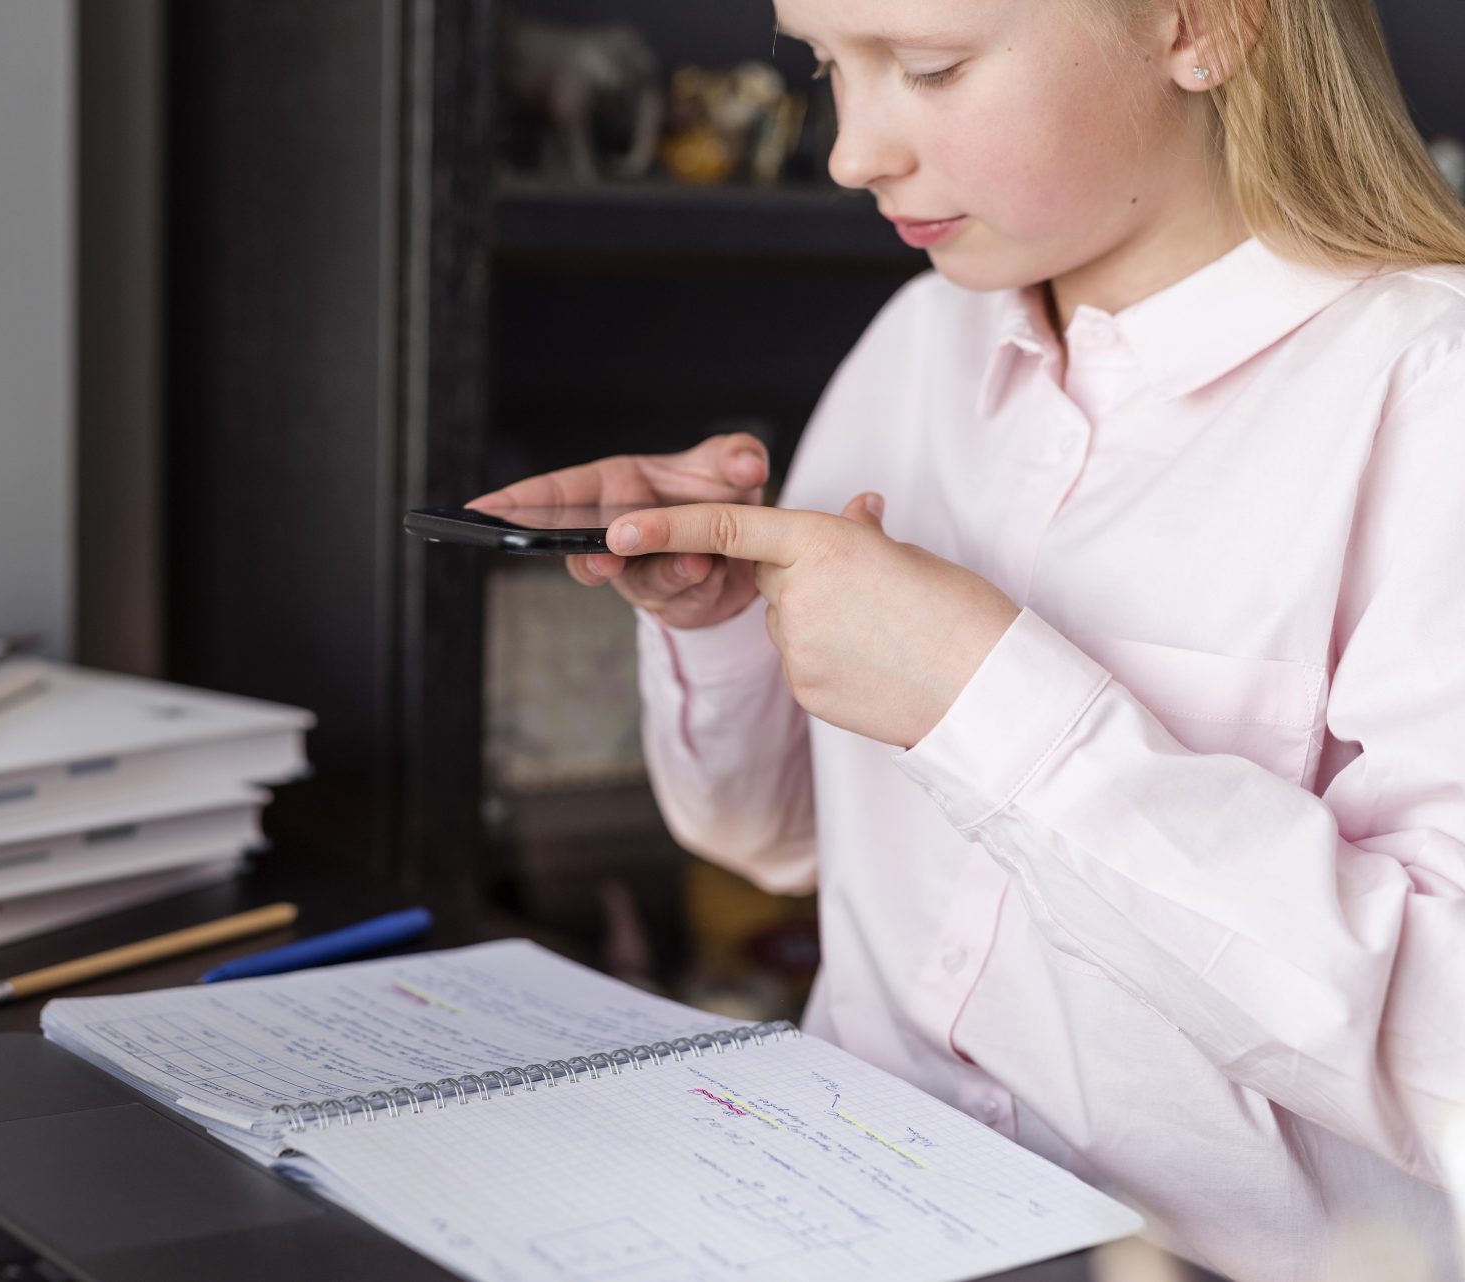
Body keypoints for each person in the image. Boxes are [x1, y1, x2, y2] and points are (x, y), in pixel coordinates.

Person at [471, 0, 1465, 1278]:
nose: (850, 152)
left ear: (1203, 29)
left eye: (930, 69)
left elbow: (1443, 1034)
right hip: (837, 1210)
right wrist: (724, 625)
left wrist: (987, 699)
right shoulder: (916, 343)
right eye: (829, 67)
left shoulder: (1425, 397)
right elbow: (771, 839)